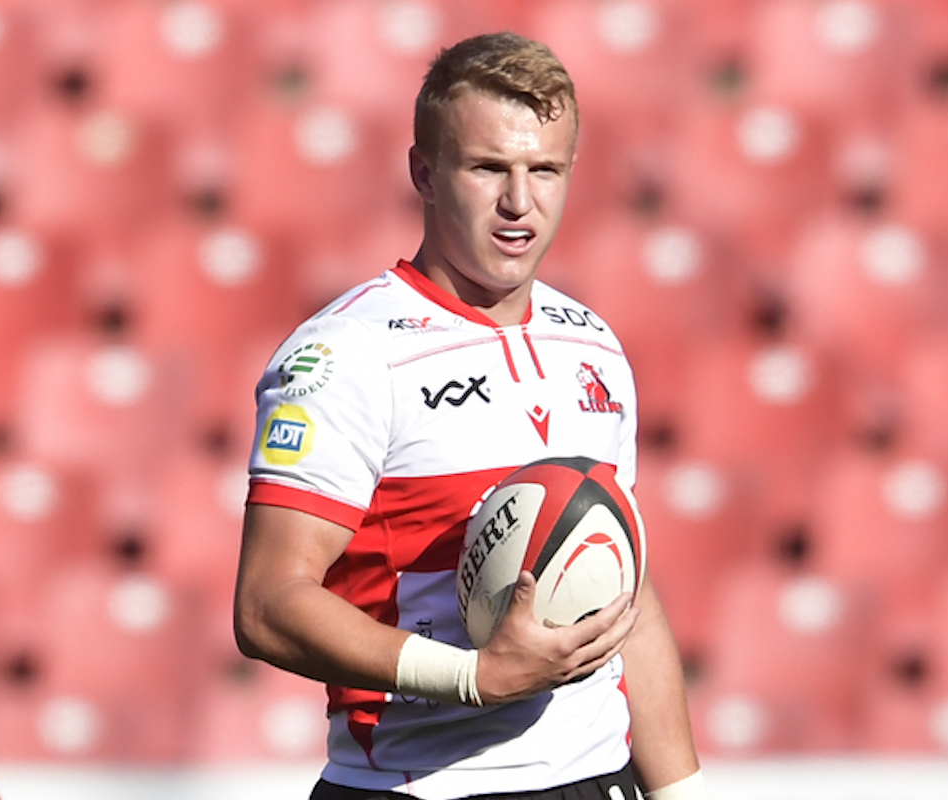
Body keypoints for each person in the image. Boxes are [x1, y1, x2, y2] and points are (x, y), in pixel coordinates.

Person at [234, 31, 705, 800]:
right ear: (424, 171)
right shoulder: (346, 354)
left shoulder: (593, 345)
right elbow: (266, 605)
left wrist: (684, 793)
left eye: (544, 170)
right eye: (490, 168)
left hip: (595, 780)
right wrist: (475, 679)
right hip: (418, 785)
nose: (520, 202)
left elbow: (625, 591)